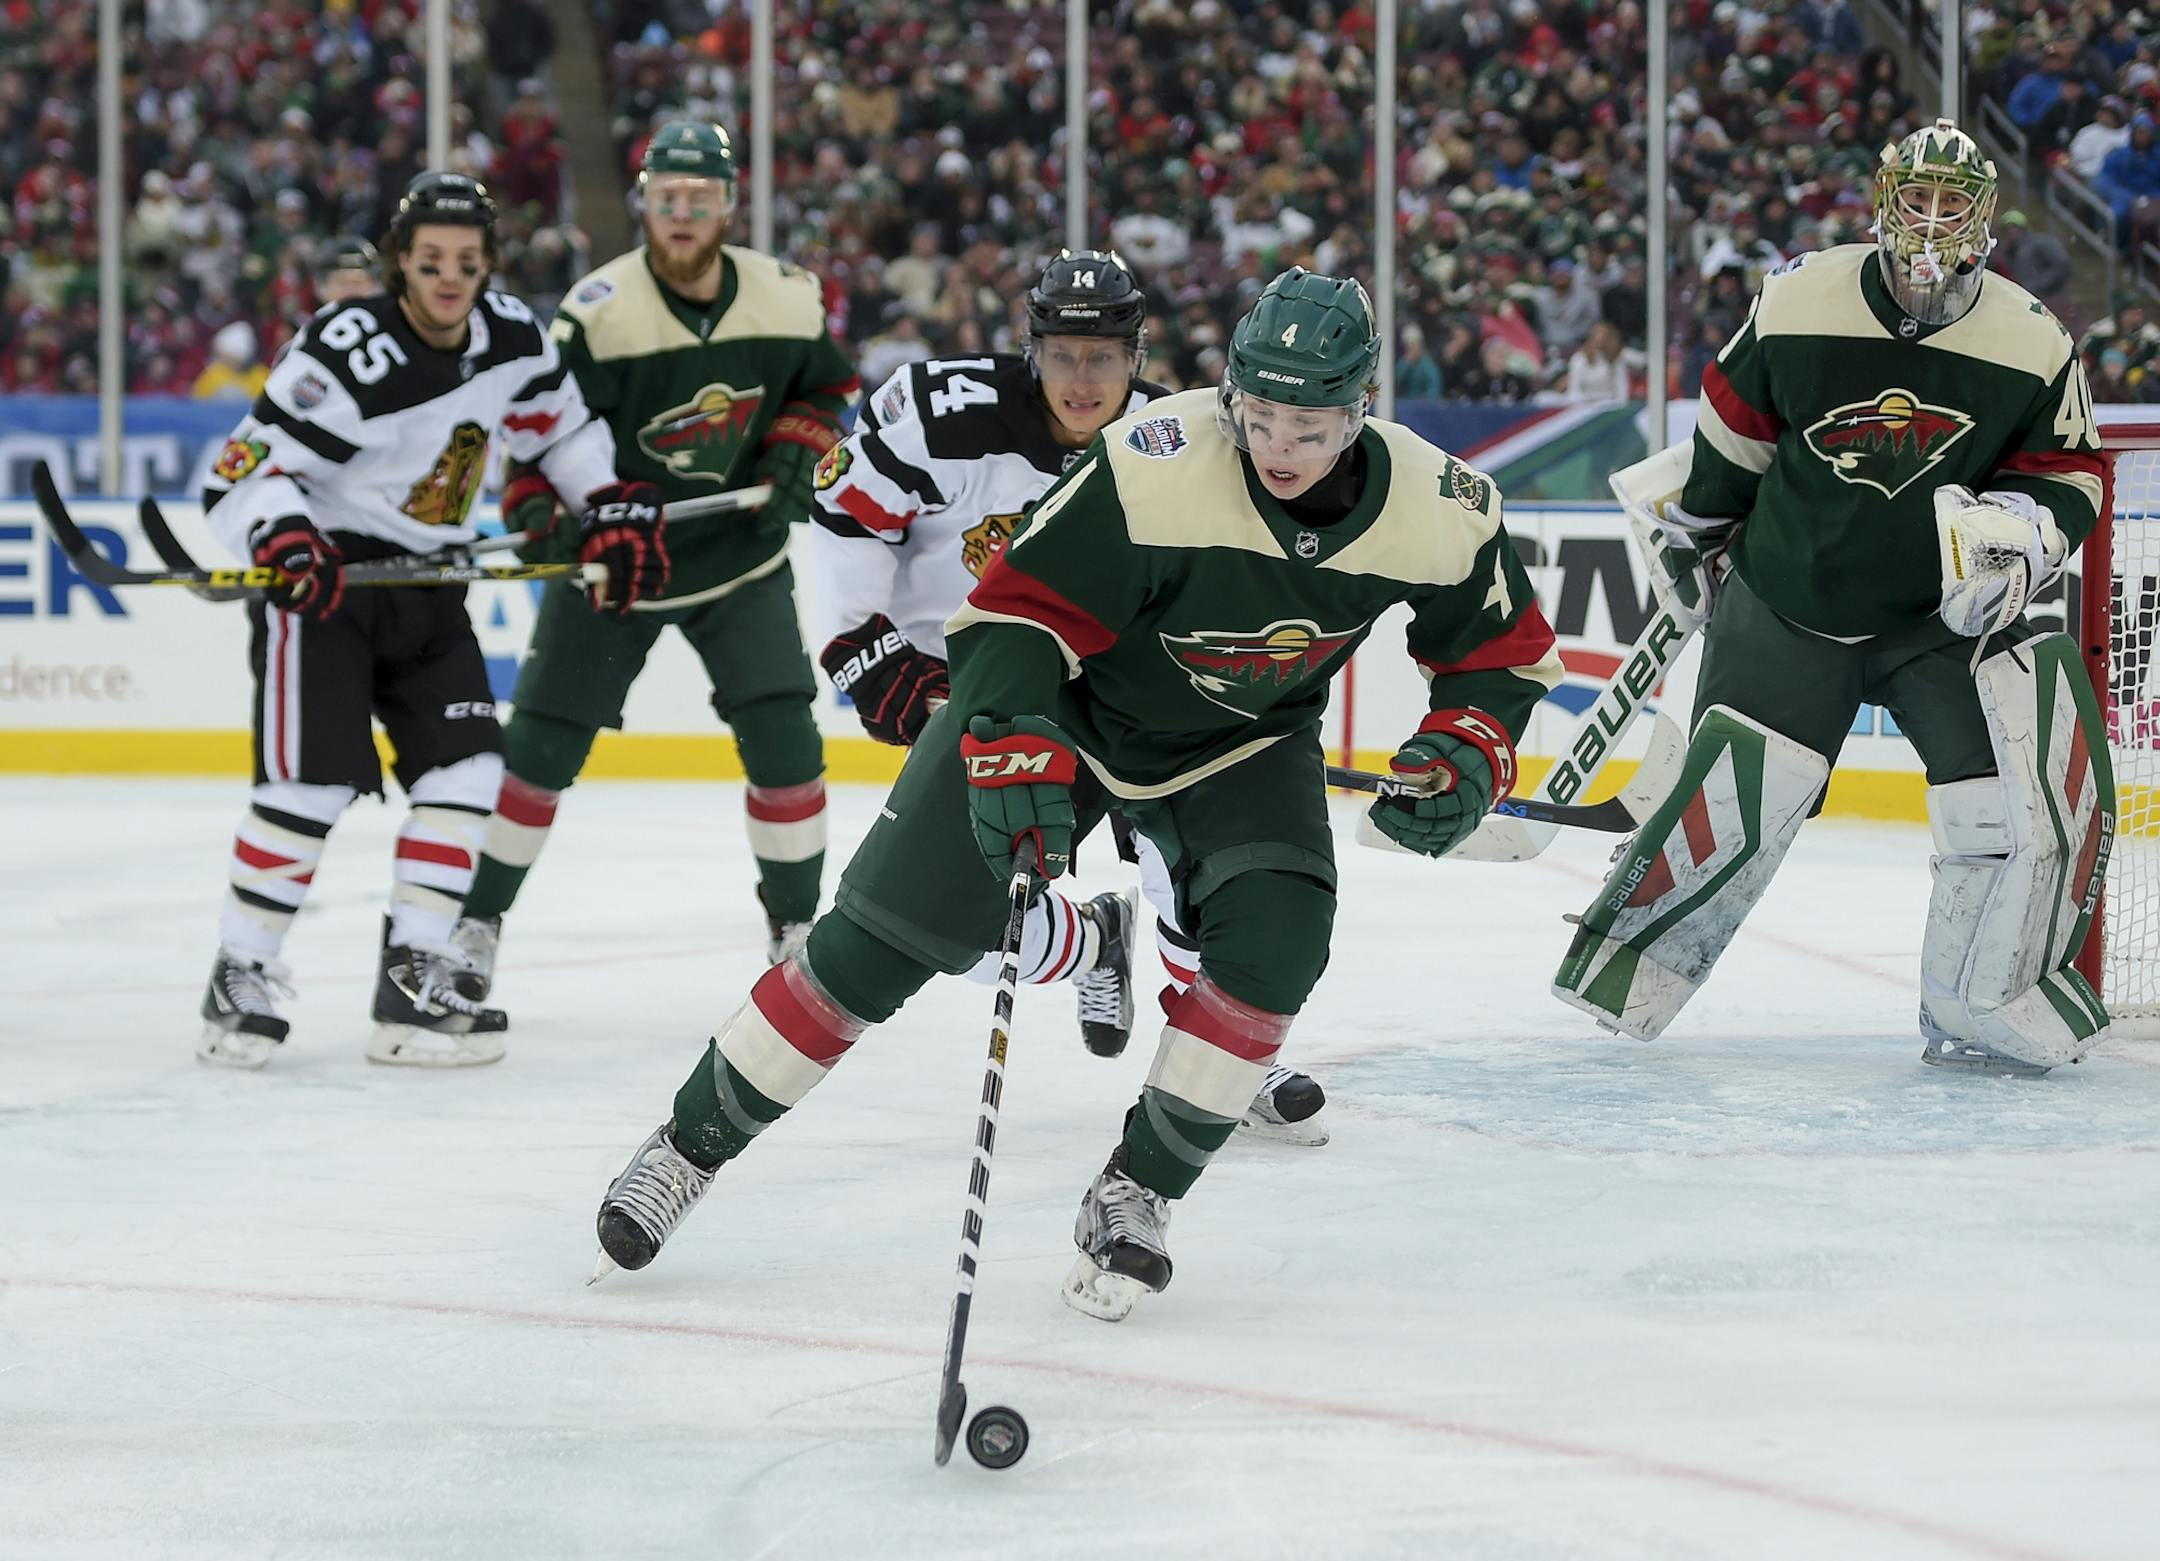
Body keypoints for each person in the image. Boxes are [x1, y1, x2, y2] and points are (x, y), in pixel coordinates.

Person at [589, 268, 1563, 1320]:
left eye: (1310, 427)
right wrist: (1008, 737)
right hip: (1061, 705)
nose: (1279, 446)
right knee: (872, 943)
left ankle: (1137, 1189)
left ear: (1361, 413)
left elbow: (1499, 659)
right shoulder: (1153, 463)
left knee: (1279, 943)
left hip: (1242, 741)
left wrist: (1471, 744)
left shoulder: (1442, 507)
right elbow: (1012, 614)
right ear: (1232, 396)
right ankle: (685, 1148)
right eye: (1262, 416)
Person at [1555, 121, 2112, 1079]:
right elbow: (1733, 431)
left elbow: (2071, 471)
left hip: (1940, 624)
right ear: (1883, 201)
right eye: (1918, 197)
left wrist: (2022, 537)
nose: (1934, 220)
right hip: (1785, 600)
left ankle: (1981, 1006)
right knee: (1733, 804)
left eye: (1955, 201)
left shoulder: (2031, 337)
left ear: (1986, 218)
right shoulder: (1802, 296)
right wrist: (1697, 530)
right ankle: (1627, 970)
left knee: (2000, 809)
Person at [812, 248, 1328, 1141]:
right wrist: (871, 650)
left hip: (1121, 690)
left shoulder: (1180, 439)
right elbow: (844, 510)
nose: (1082, 378)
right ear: (1031, 348)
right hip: (978, 687)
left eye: (1103, 357)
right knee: (968, 933)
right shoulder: (941, 415)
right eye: (1061, 353)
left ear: (1136, 355)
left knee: (1189, 872)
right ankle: (1091, 940)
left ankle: (1222, 1059)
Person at [195, 171, 666, 1070]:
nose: (449, 277)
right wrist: (283, 533)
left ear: (487, 264)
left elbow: (558, 429)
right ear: (399, 265)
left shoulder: (515, 337)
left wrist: (605, 502)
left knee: (468, 772)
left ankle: (413, 980)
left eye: (467, 260)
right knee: (307, 789)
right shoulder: (341, 346)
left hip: (433, 587)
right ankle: (239, 971)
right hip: (328, 590)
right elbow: (238, 474)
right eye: (431, 260)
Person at [456, 121, 859, 1002]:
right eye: (667, 198)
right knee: (538, 749)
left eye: (700, 199)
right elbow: (537, 438)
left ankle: (796, 931)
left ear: (727, 206)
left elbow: (825, 390)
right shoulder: (596, 313)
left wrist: (796, 444)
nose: (682, 215)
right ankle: (474, 920)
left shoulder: (787, 298)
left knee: (786, 740)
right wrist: (553, 518)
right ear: (644, 203)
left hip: (740, 559)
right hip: (620, 568)